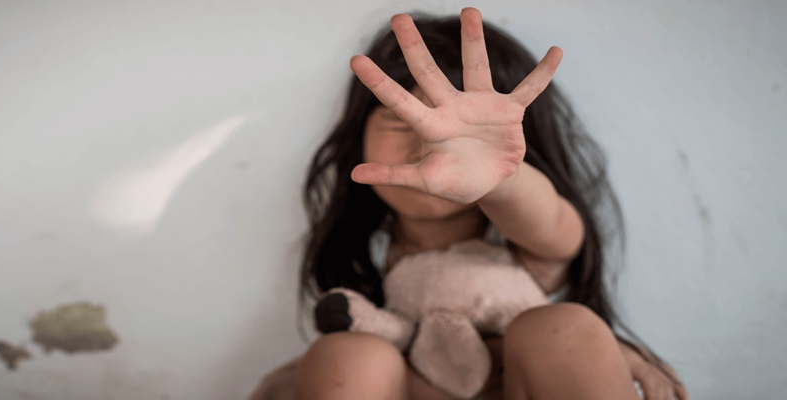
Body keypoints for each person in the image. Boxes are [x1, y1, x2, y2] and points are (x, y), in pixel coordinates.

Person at [276, 7, 689, 400]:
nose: (429, 147)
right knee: (346, 354)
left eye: (463, 137)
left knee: (564, 329)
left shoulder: (523, 242)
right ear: (358, 138)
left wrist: (501, 178)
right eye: (400, 122)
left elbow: (553, 224)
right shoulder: (362, 253)